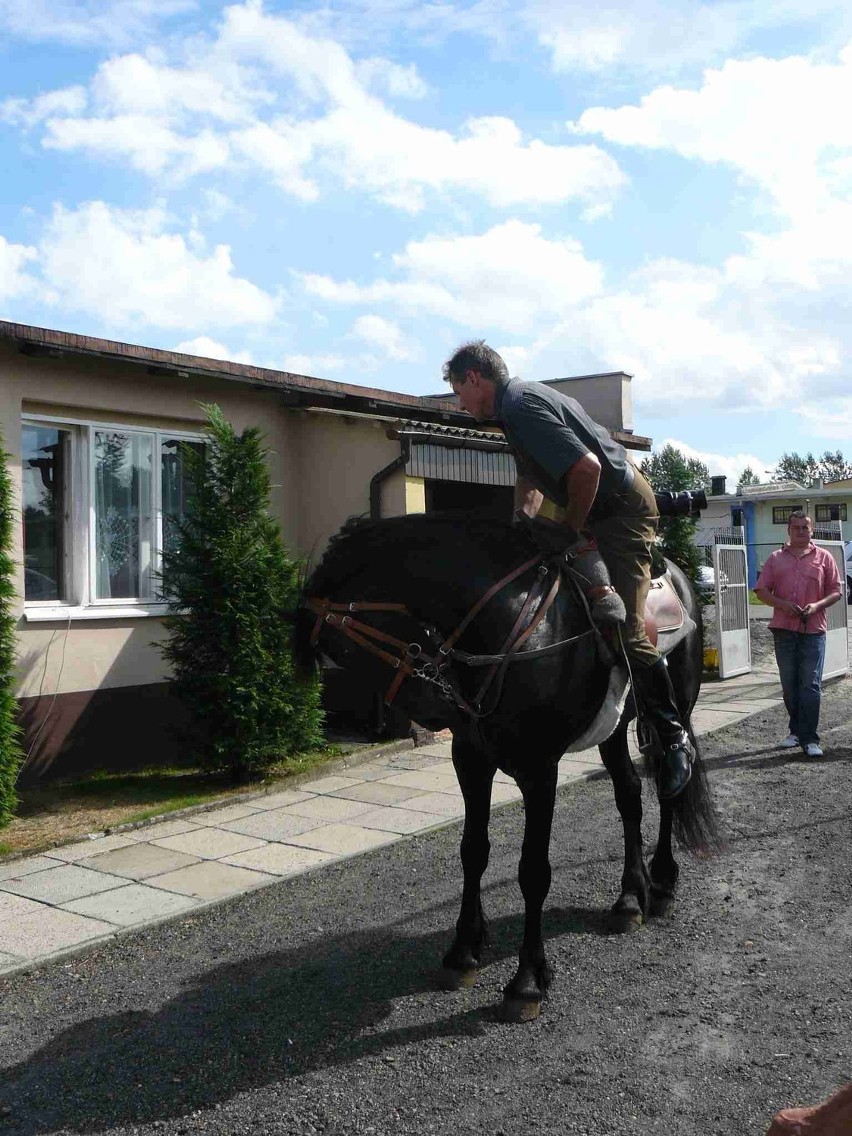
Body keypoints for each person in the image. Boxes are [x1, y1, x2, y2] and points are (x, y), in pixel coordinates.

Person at [442, 339, 694, 801]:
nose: (459, 402)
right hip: (588, 504)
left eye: (459, 391)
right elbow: (530, 481)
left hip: (621, 511)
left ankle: (673, 735)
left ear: (475, 377)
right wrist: (520, 523)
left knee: (630, 629)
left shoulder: (520, 406)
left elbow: (588, 469)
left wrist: (569, 531)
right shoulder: (512, 414)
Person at [754, 512, 841, 758]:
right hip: (784, 629)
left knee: (810, 686)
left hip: (813, 631)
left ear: (812, 530)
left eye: (806, 527)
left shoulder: (824, 558)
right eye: (797, 527)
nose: (801, 531)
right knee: (790, 686)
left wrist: (816, 606)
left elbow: (836, 591)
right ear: (789, 531)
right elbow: (761, 590)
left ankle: (810, 738)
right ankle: (795, 731)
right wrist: (782, 604)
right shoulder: (775, 558)